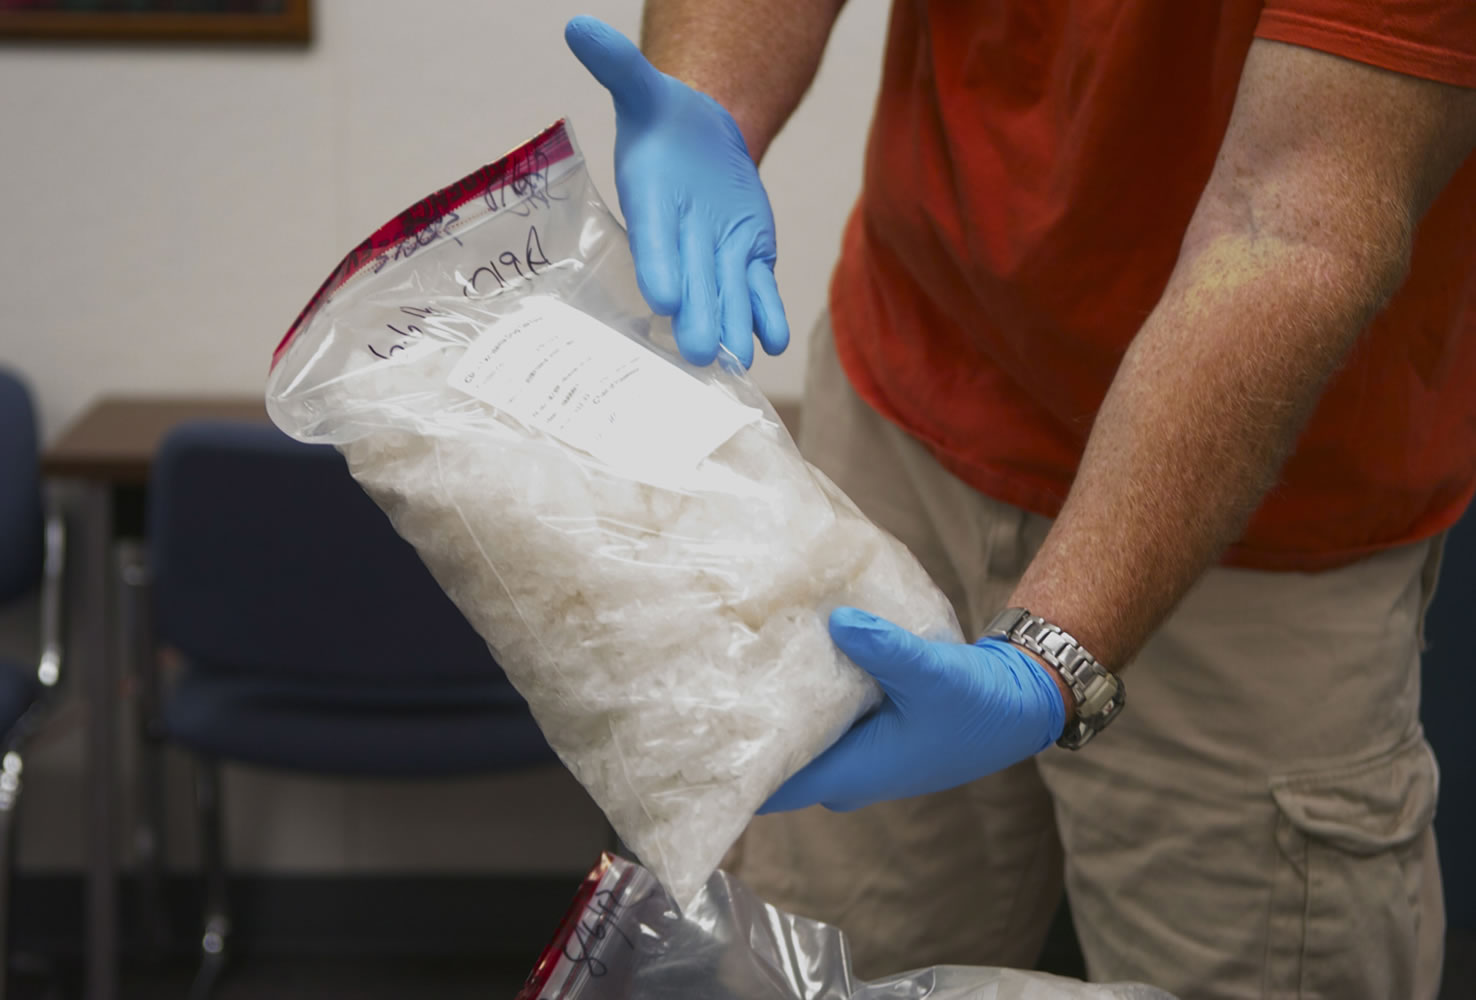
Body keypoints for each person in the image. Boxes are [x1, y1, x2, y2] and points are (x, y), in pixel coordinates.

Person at [565, 3, 1476, 997]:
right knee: (816, 955)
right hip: (908, 398)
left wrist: (1055, 658)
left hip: (1261, 525)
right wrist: (708, 98)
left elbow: (1293, 218)